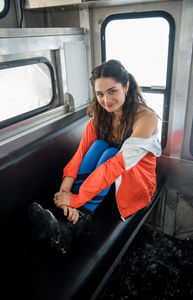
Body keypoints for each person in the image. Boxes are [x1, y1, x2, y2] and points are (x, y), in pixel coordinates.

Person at [29, 59, 162, 254]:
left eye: (112, 91)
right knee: (100, 145)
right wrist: (64, 191)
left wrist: (75, 200)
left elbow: (117, 164)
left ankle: (78, 219)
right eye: (100, 94)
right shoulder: (101, 116)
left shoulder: (146, 118)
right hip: (102, 183)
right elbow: (81, 153)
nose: (106, 100)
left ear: (126, 86)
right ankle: (69, 215)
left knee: (110, 152)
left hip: (133, 183)